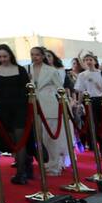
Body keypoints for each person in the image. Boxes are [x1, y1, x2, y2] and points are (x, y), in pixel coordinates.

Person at [0, 44, 31, 183]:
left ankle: (21, 173)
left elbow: (26, 90)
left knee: (20, 141)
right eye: (0, 57)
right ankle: (23, 167)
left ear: (10, 55)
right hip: (4, 110)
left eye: (5, 56)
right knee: (12, 140)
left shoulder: (20, 69)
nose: (3, 59)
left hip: (20, 108)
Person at [29, 47, 66, 175]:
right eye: (32, 55)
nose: (35, 57)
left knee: (50, 138)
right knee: (38, 139)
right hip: (32, 106)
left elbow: (60, 89)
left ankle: (54, 166)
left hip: (50, 106)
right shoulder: (26, 69)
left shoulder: (51, 71)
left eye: (37, 55)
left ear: (43, 56)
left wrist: (64, 106)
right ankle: (44, 163)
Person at [73, 52, 102, 158]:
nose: (88, 61)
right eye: (86, 60)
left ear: (95, 61)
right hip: (90, 102)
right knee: (94, 126)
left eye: (90, 59)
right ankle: (100, 149)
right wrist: (79, 104)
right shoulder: (82, 75)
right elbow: (81, 91)